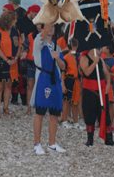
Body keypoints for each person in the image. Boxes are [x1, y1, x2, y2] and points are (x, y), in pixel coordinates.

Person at [32, 22, 66, 155]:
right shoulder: (38, 42)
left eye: (52, 26)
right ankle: (37, 143)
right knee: (40, 112)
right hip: (43, 78)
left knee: (54, 112)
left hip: (55, 79)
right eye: (48, 26)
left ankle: (52, 143)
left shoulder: (57, 45)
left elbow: (63, 66)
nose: (51, 29)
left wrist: (58, 59)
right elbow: (42, 36)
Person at [80, 45, 114, 147]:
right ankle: (90, 139)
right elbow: (87, 72)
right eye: (97, 49)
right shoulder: (84, 58)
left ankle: (109, 139)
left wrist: (107, 84)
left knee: (105, 115)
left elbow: (106, 73)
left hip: (101, 91)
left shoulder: (101, 60)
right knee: (89, 115)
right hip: (89, 91)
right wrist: (94, 62)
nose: (98, 50)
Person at [0, 10, 21, 115]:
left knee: (9, 85)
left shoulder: (14, 31)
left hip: (13, 61)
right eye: (14, 19)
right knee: (0, 86)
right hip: (2, 61)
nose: (16, 21)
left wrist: (16, 57)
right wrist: (6, 59)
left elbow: (19, 45)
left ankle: (6, 107)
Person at [60, 37, 80, 127]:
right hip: (68, 79)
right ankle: (64, 121)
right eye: (73, 46)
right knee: (66, 101)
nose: (74, 48)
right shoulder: (66, 57)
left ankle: (75, 122)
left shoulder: (77, 56)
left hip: (76, 81)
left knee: (75, 102)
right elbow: (63, 71)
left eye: (76, 46)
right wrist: (63, 85)